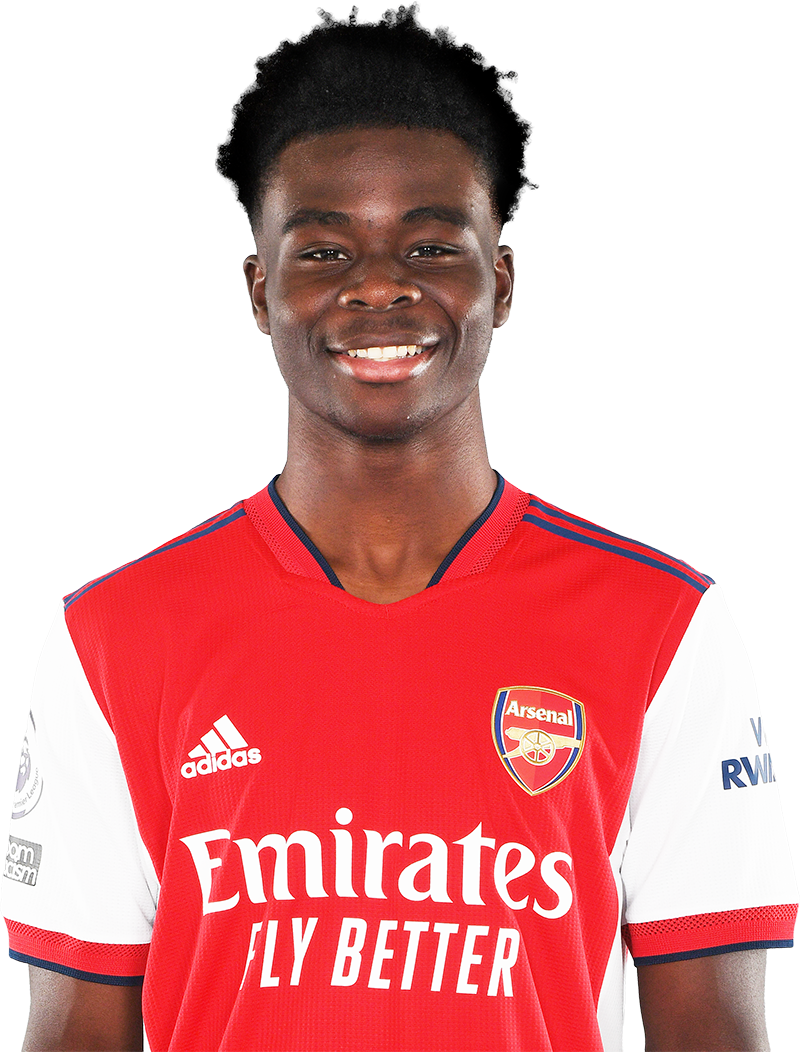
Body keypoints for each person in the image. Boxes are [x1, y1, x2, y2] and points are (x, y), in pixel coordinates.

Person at [3, 11, 797, 1052]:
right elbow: (73, 1035)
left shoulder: (666, 628)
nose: (378, 285)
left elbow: (716, 1037)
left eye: (428, 245)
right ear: (260, 292)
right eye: (324, 249)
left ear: (498, 282)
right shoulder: (113, 638)